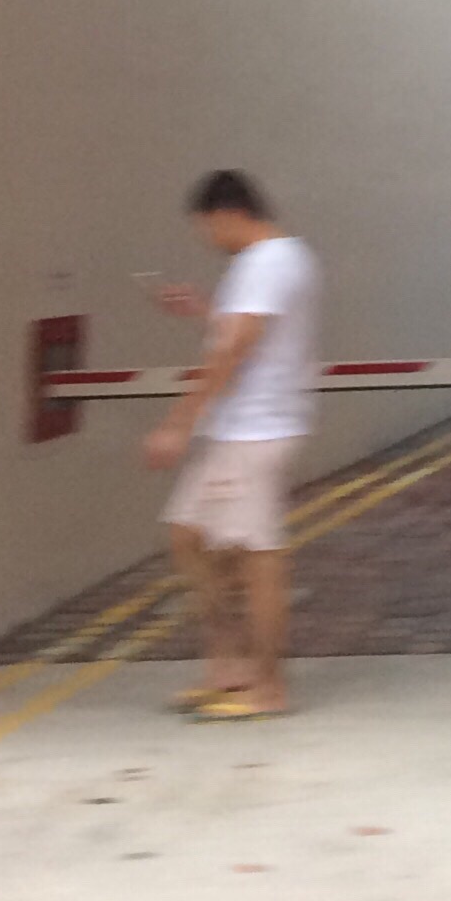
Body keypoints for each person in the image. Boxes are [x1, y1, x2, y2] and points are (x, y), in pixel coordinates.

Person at [141, 170, 319, 720]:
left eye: (206, 228)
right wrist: (202, 311)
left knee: (257, 559)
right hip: (242, 429)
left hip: (253, 430)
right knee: (189, 537)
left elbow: (234, 351)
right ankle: (229, 667)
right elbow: (245, 334)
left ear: (227, 214)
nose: (207, 240)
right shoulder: (283, 259)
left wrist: (178, 423)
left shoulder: (265, 263)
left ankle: (267, 687)